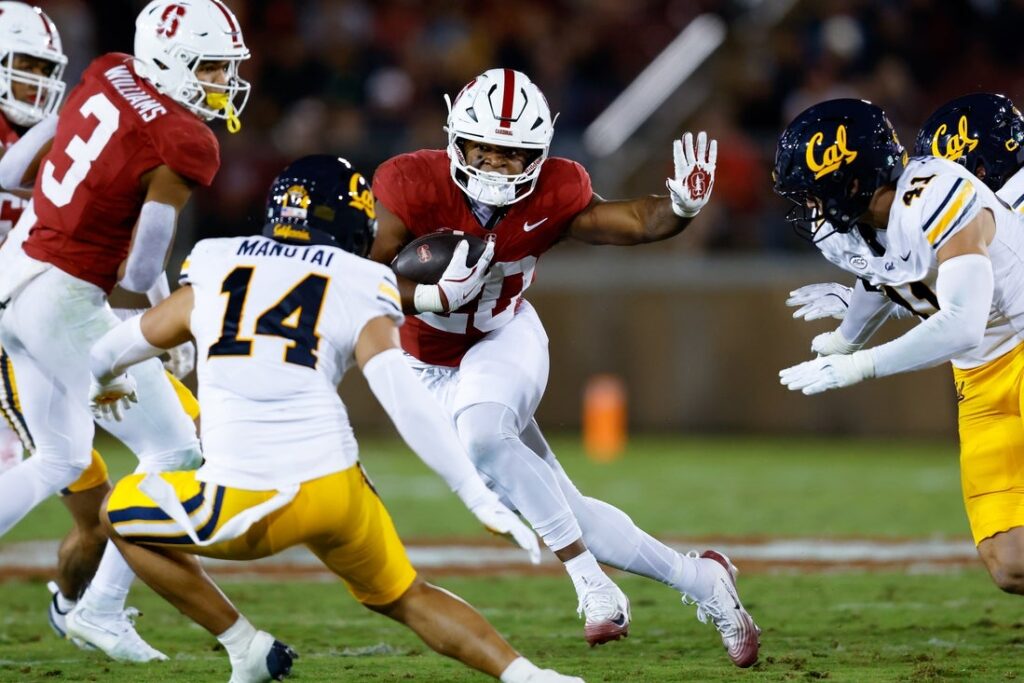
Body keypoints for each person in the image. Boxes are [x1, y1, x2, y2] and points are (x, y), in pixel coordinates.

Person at [88, 154, 581, 683]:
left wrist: (105, 383)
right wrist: (475, 494)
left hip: (254, 500)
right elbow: (402, 397)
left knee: (119, 512)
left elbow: (106, 352)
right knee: (408, 595)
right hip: (339, 487)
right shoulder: (359, 278)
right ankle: (530, 677)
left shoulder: (215, 262)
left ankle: (244, 645)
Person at [369, 68, 760, 667]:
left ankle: (590, 584)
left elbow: (629, 222)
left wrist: (678, 208)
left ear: (540, 152)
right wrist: (425, 298)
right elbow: (361, 277)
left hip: (502, 339)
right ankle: (703, 579)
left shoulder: (557, 185)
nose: (499, 166)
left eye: (514, 154)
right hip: (425, 363)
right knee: (564, 507)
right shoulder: (408, 179)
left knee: (483, 436)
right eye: (486, 151)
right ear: (457, 140)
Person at [0, 0, 250, 662]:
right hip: (64, 303)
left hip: (13, 281)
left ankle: (92, 604)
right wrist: (164, 323)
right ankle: (98, 609)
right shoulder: (186, 140)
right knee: (179, 454)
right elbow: (143, 263)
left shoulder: (110, 70)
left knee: (58, 458)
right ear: (174, 62)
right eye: (212, 68)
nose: (224, 81)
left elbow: (10, 171)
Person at [774, 97, 1024, 595]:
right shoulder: (848, 231)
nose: (810, 209)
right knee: (1011, 564)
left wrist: (863, 365)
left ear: (851, 179)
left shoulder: (938, 193)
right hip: (978, 381)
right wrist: (846, 338)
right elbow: (881, 275)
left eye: (815, 193)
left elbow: (961, 325)